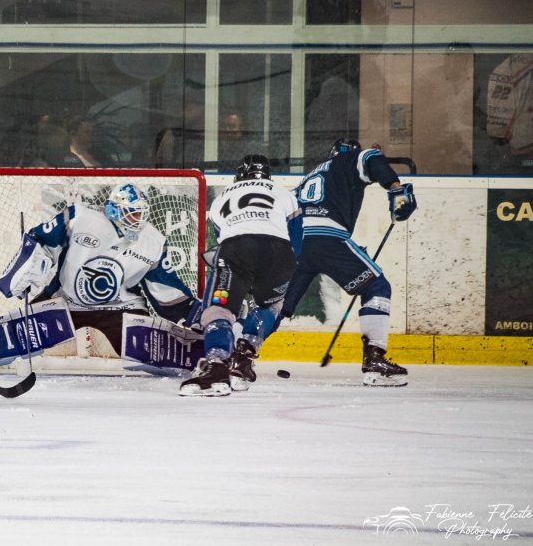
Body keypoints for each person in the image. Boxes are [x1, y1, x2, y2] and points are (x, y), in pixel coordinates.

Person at [0, 183, 200, 356]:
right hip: (65, 302)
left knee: (148, 351)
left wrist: (193, 315)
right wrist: (25, 271)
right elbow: (39, 241)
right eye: (132, 214)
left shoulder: (152, 241)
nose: (138, 221)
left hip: (122, 308)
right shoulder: (79, 218)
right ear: (114, 210)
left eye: (141, 214)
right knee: (19, 336)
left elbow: (166, 289)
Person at [278, 138, 417, 386]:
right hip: (328, 239)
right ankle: (374, 359)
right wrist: (395, 187)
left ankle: (238, 355)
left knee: (277, 304)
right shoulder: (349, 160)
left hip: (297, 242)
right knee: (376, 287)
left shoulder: (311, 175)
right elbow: (370, 159)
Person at [179, 155, 302, 397]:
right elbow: (296, 242)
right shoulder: (284, 193)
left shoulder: (224, 195)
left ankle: (216, 365)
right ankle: (245, 356)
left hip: (237, 249)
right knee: (272, 304)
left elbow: (221, 239)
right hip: (280, 254)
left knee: (219, 310)